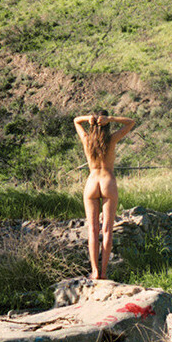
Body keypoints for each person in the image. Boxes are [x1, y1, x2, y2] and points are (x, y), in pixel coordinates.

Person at [73, 111, 136, 280]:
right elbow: (131, 122)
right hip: (108, 181)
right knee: (107, 230)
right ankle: (104, 272)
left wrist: (88, 118)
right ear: (107, 124)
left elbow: (76, 120)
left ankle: (94, 271)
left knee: (93, 230)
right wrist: (112, 119)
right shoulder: (112, 139)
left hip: (92, 182)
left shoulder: (86, 140)